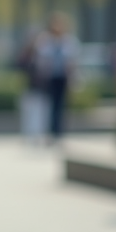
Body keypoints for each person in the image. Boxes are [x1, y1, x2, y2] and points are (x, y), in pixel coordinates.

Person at [31, 12, 81, 144]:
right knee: (49, 106)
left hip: (62, 78)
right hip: (49, 79)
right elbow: (40, 61)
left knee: (61, 106)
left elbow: (72, 62)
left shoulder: (69, 41)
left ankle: (58, 132)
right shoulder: (45, 41)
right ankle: (49, 131)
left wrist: (73, 79)